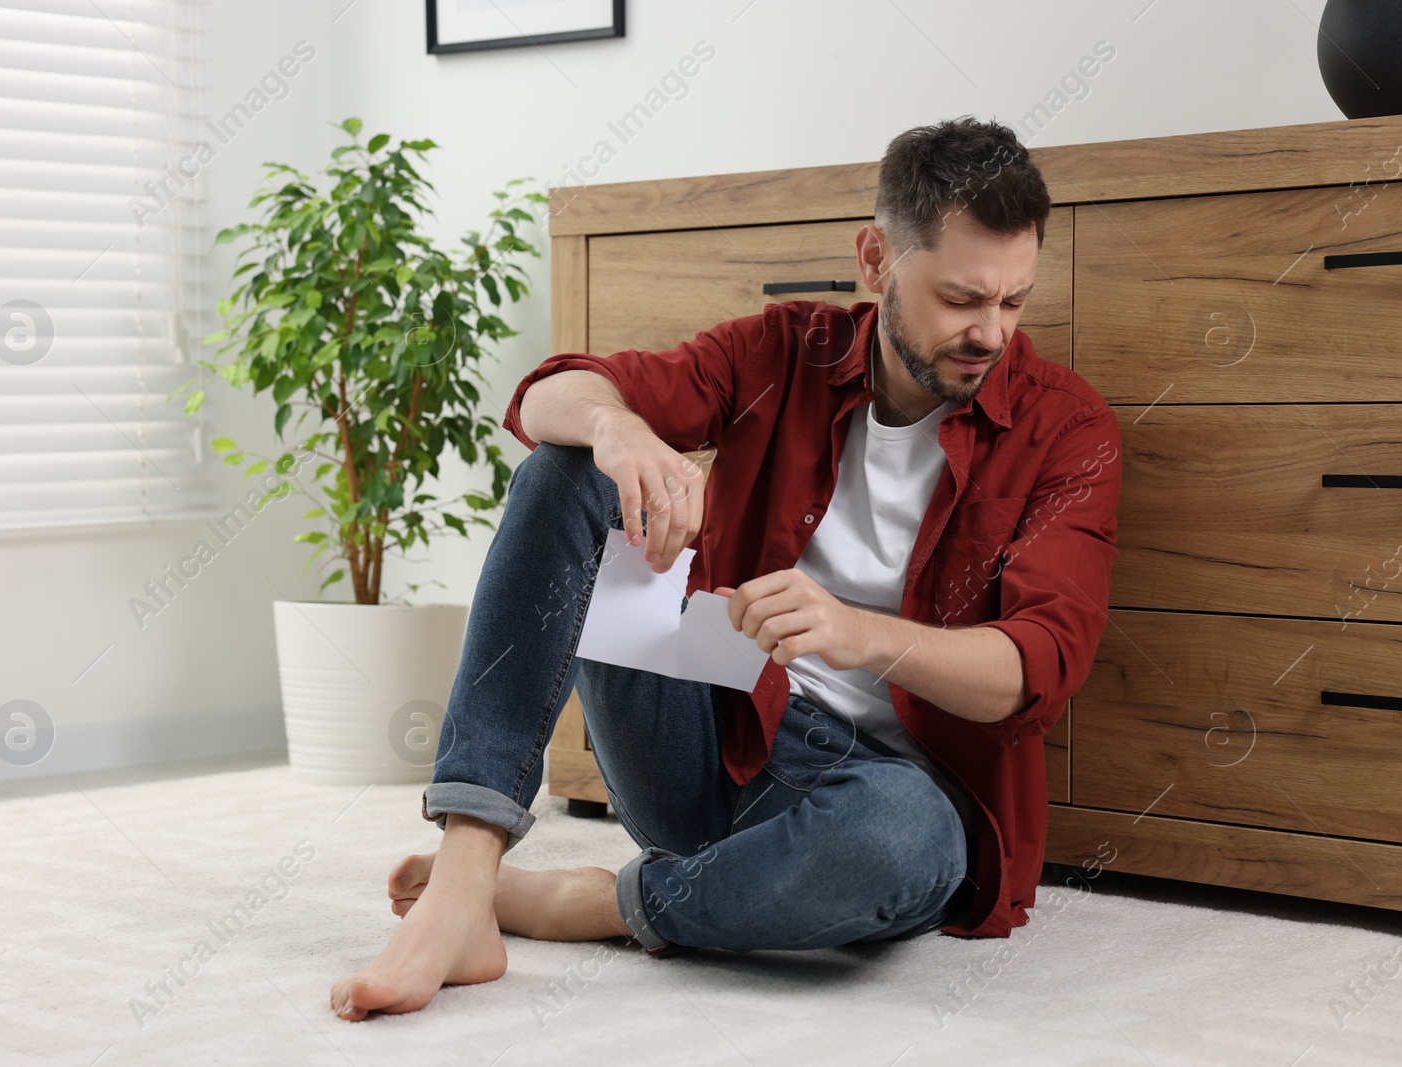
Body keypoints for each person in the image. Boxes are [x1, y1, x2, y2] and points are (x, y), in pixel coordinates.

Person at [331, 116, 1123, 1021]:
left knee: (911, 845)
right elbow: (547, 392)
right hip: (714, 736)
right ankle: (466, 881)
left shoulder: (1068, 430)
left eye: (1012, 303)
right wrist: (617, 426)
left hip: (879, 795)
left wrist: (858, 633)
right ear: (875, 259)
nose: (990, 333)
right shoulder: (784, 351)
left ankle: (602, 901)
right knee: (568, 462)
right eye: (959, 299)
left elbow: (1037, 669)